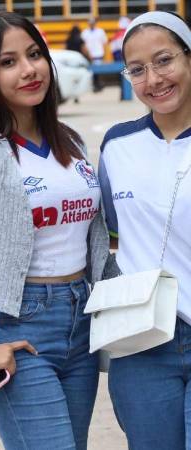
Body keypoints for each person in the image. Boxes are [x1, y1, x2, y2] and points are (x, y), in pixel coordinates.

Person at [0, 11, 113, 450]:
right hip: (18, 323)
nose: (28, 69)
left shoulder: (71, 139)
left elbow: (95, 237)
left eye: (34, 54)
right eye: (8, 62)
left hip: (82, 319)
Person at [99, 11, 191, 449]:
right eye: (137, 69)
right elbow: (114, 230)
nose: (153, 78)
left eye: (164, 60)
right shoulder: (117, 145)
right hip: (144, 338)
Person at [82, 17, 107, 91]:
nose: (91, 24)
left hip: (98, 54)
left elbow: (104, 42)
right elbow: (83, 44)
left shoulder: (100, 31)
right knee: (91, 71)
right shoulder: (85, 32)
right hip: (89, 55)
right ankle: (94, 85)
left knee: (98, 70)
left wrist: (104, 53)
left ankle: (98, 84)